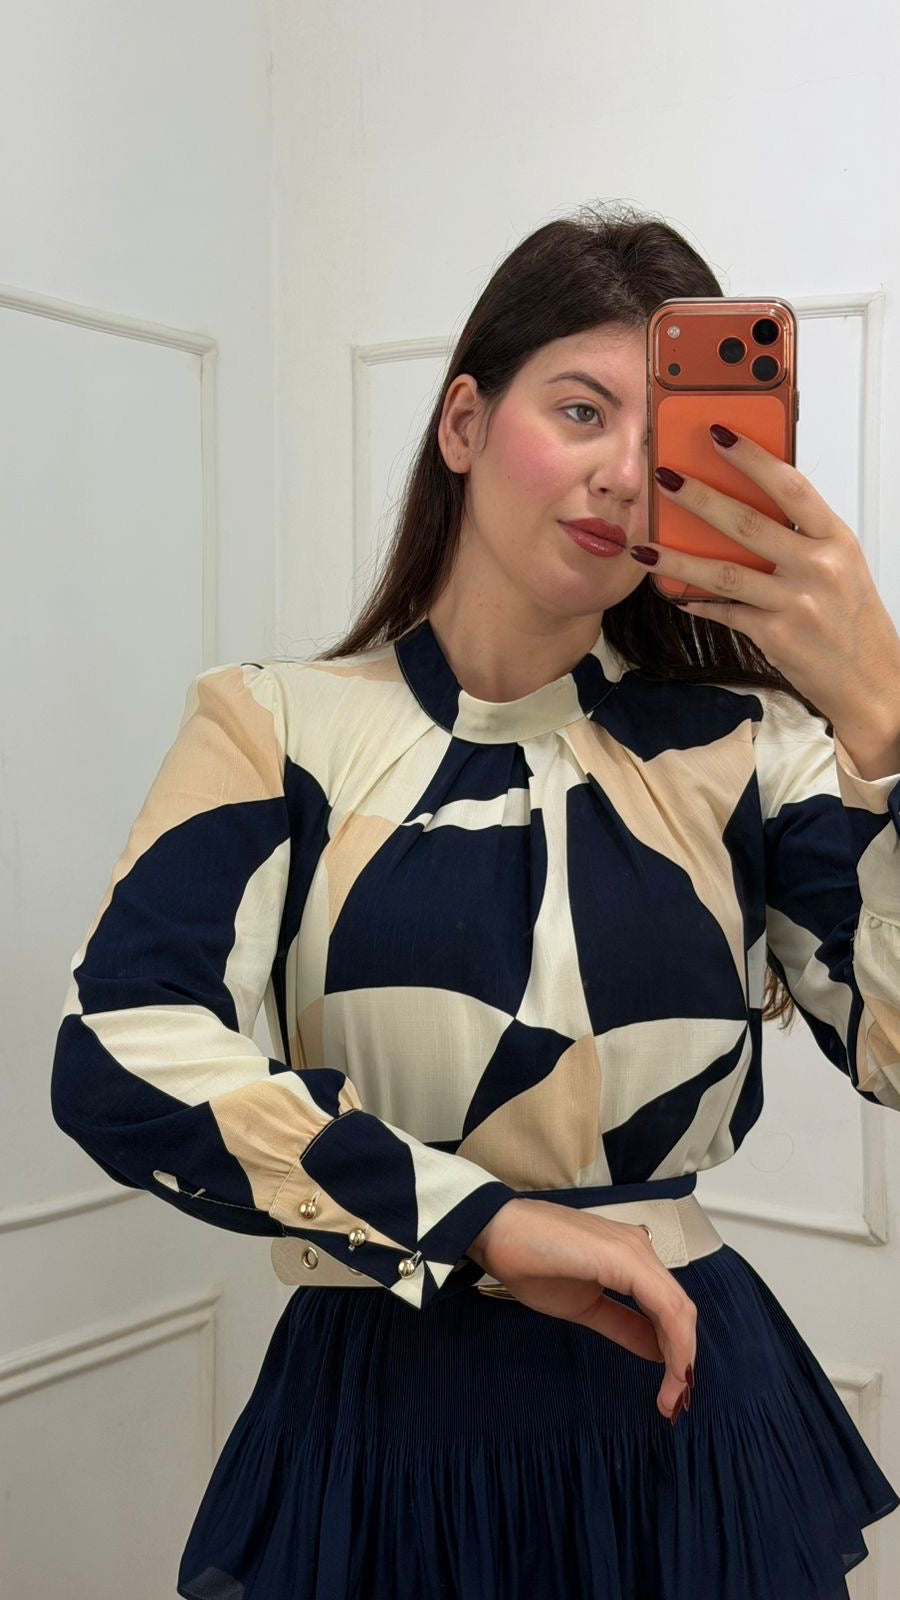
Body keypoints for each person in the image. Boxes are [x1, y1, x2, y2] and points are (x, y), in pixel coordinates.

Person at [51, 203, 900, 1599]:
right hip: (382, 1423)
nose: (622, 472)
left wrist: (883, 714)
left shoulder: (759, 751)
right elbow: (119, 1052)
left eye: (668, 433)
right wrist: (485, 1220)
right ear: (463, 423)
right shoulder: (275, 727)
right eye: (581, 409)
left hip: (681, 1416)